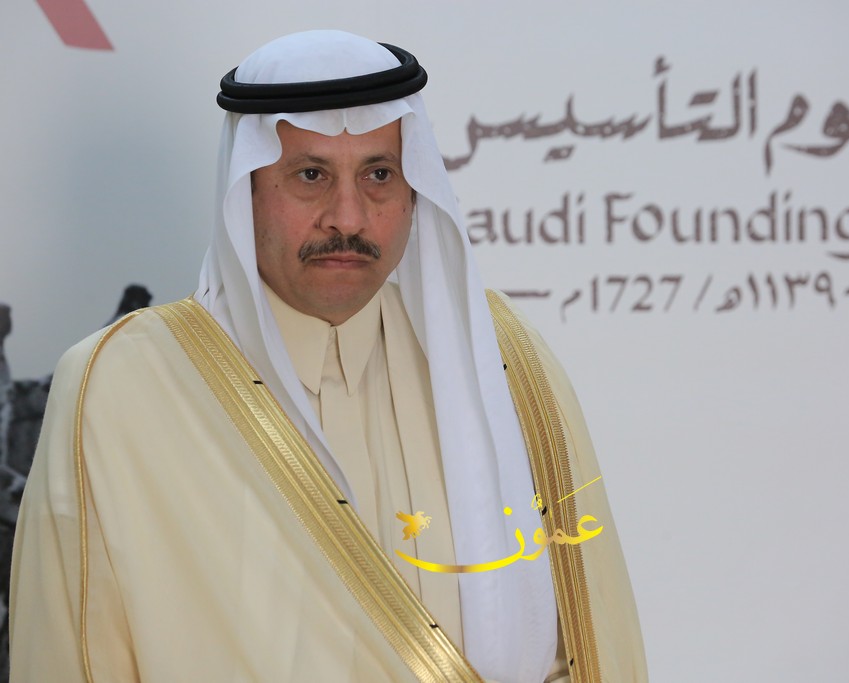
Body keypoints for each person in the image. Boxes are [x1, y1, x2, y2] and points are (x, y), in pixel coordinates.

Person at [9, 31, 647, 682]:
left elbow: (586, 646)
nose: (348, 217)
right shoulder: (123, 387)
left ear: (415, 191)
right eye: (310, 176)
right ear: (244, 191)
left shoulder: (501, 359)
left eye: (378, 175)